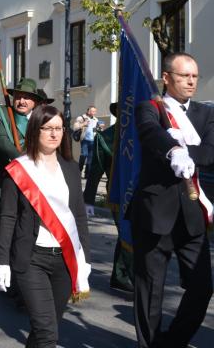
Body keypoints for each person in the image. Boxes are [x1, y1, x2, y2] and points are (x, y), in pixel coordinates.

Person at [130, 52, 214, 348]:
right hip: (155, 211)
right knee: (150, 291)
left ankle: (172, 342)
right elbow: (150, 134)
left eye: (194, 76)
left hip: (192, 212)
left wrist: (185, 149)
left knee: (202, 286)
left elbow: (210, 152)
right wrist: (171, 150)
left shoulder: (205, 113)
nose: (191, 81)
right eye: (184, 76)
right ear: (166, 78)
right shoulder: (149, 108)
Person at [0, 105, 91, 347]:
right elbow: (8, 218)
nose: (54, 134)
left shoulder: (70, 168)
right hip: (32, 259)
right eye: (48, 128)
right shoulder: (19, 170)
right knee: (48, 333)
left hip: (64, 261)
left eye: (59, 128)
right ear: (35, 131)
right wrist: (2, 261)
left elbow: (78, 216)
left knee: (45, 328)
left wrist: (84, 258)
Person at [83, 103, 134, 293]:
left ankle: (119, 276)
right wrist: (88, 200)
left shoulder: (144, 133)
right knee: (128, 235)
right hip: (118, 196)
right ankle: (133, 277)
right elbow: (95, 170)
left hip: (144, 196)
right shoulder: (105, 137)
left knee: (132, 236)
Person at [0, 78, 42, 220]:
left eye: (27, 98)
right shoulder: (2, 113)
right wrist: (24, 161)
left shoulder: (41, 119)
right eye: (18, 97)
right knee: (7, 229)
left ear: (34, 102)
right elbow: (0, 140)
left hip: (32, 184)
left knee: (25, 232)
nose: (22, 101)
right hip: (3, 183)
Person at [73, 105, 100, 178]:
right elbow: (75, 127)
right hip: (84, 139)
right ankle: (78, 171)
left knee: (90, 158)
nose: (93, 112)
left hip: (92, 140)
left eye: (94, 111)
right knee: (84, 155)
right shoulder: (81, 117)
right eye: (92, 111)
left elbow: (94, 129)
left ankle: (87, 174)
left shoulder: (96, 120)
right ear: (88, 111)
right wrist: (83, 124)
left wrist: (99, 129)